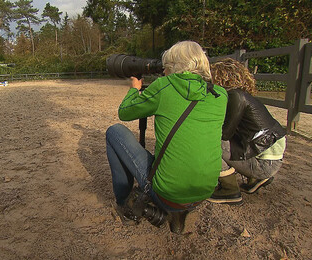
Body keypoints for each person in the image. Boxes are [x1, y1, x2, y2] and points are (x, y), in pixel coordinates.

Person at [106, 41, 228, 233]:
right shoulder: (220, 94)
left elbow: (125, 113)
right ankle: (179, 215)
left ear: (172, 65)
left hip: (168, 194)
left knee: (114, 131)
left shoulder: (164, 86)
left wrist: (134, 88)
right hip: (203, 193)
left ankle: (124, 205)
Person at [208, 58, 286, 205]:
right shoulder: (244, 96)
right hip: (270, 160)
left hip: (263, 165)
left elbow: (225, 134)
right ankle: (255, 179)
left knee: (207, 142)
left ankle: (229, 189)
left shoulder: (235, 97)